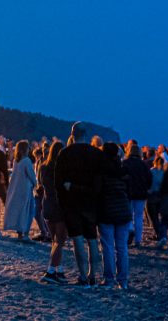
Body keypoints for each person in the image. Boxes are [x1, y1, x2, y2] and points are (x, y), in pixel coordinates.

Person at [54, 121, 104, 287]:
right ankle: (92, 275)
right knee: (92, 240)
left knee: (77, 240)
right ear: (86, 135)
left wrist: (65, 196)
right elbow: (100, 184)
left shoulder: (65, 153)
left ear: (72, 135)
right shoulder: (97, 155)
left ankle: (83, 275)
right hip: (91, 202)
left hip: (71, 203)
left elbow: (58, 182)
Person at [97, 143, 132, 289]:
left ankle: (109, 279)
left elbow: (97, 192)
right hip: (123, 211)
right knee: (122, 247)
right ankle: (123, 280)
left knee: (108, 247)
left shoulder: (101, 171)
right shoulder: (123, 170)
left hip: (106, 211)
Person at [39, 142, 68, 284]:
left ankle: (59, 269)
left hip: (47, 205)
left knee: (54, 240)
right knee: (60, 240)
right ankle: (51, 271)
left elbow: (41, 184)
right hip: (59, 206)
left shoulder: (43, 167)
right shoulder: (62, 168)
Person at [4, 140, 36, 241]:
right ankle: (25, 234)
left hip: (18, 188)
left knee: (20, 210)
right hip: (26, 189)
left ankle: (19, 233)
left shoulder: (16, 161)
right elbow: (31, 175)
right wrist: (36, 184)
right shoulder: (27, 161)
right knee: (28, 211)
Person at [122, 141, 152, 246]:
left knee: (128, 215)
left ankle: (130, 230)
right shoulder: (143, 164)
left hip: (128, 193)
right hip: (141, 194)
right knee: (139, 217)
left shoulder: (125, 163)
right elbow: (149, 178)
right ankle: (138, 240)